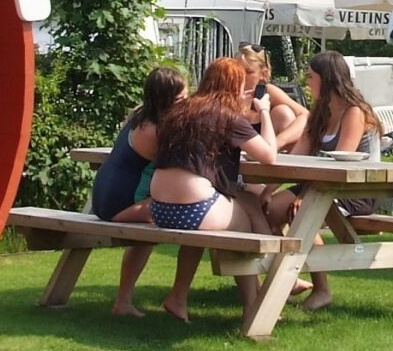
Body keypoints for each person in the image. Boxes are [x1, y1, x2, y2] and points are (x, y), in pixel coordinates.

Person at [146, 57, 281, 321]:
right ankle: (252, 308)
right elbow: (269, 156)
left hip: (159, 209)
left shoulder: (180, 111)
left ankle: (178, 297)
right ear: (234, 86)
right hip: (195, 208)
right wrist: (264, 111)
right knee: (243, 227)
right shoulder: (228, 117)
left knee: (207, 226)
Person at [90, 65, 199, 318]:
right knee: (193, 214)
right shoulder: (156, 132)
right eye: (181, 99)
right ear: (164, 100)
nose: (187, 103)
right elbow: (184, 164)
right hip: (120, 203)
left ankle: (124, 302)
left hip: (103, 196)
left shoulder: (140, 116)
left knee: (159, 226)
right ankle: (176, 297)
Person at [291, 50, 383, 311]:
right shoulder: (321, 112)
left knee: (302, 215)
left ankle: (321, 290)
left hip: (354, 190)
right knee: (267, 208)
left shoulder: (354, 112)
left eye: (311, 76)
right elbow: (296, 156)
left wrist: (303, 196)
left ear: (326, 79)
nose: (307, 82)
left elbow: (340, 166)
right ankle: (286, 278)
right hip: (322, 186)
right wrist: (267, 189)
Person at [238, 45, 307, 150]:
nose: (241, 76)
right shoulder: (225, 91)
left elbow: (306, 116)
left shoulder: (268, 92)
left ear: (263, 74)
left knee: (283, 113)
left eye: (248, 72)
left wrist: (278, 142)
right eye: (237, 70)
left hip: (269, 151)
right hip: (235, 152)